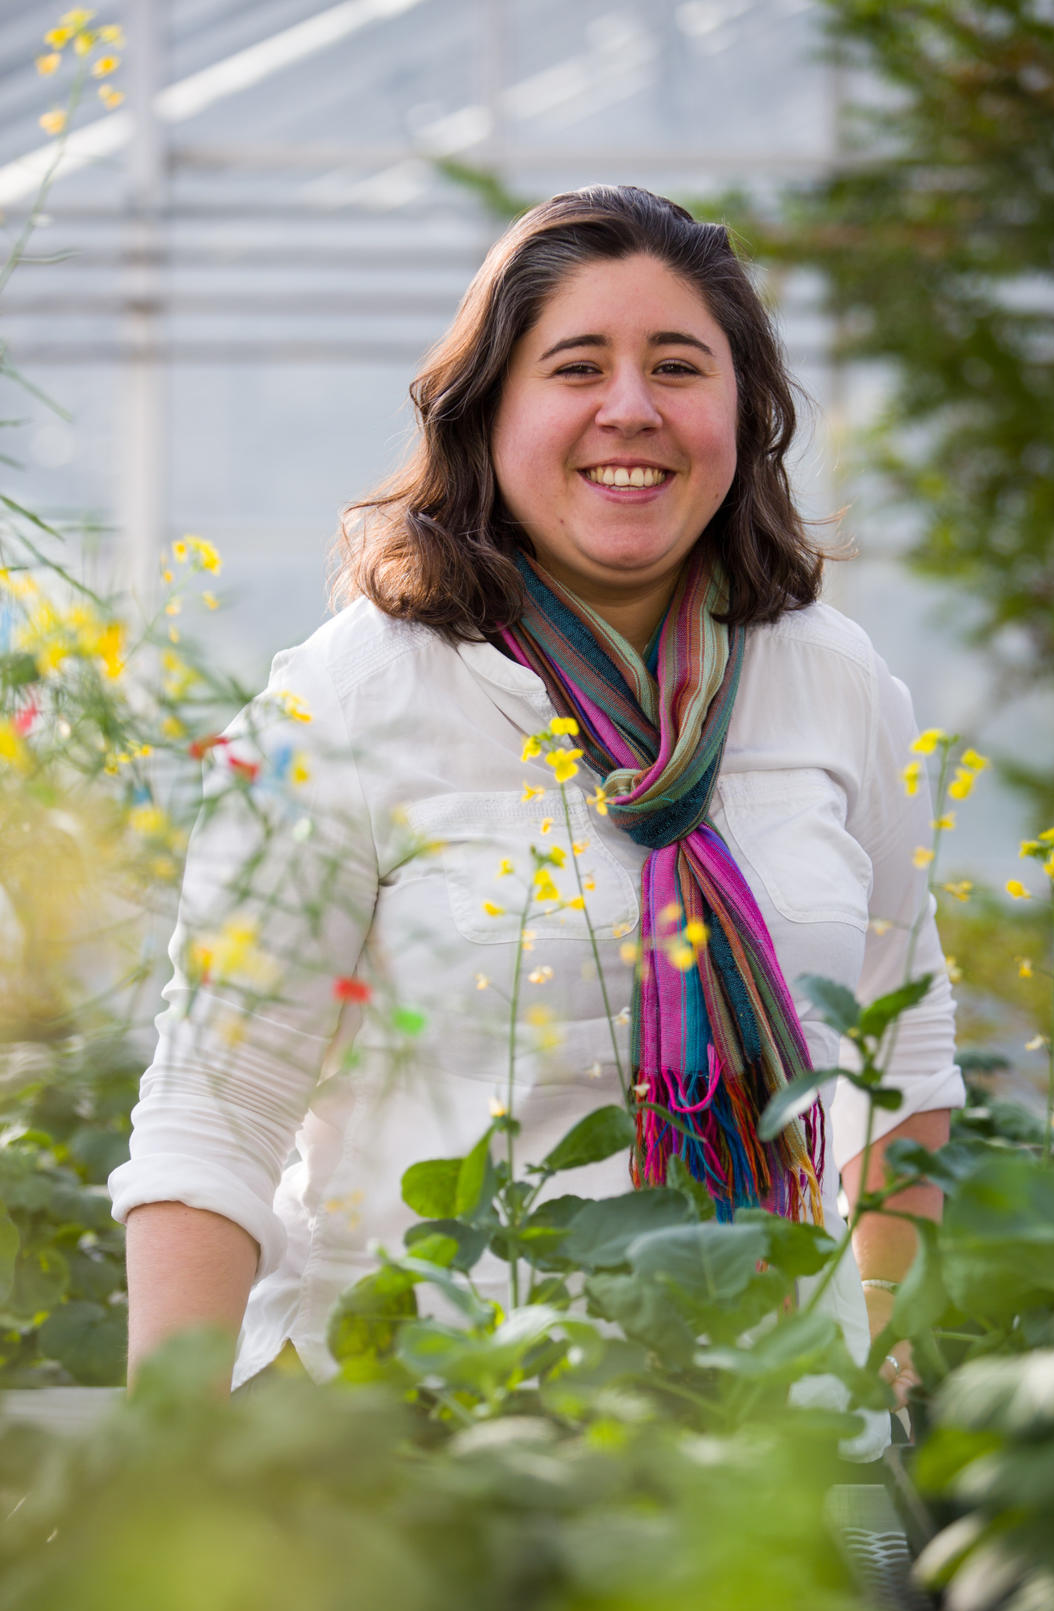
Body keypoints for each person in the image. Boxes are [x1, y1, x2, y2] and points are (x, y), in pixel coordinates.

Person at [111, 186, 964, 1447]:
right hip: (432, 1439)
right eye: (577, 367)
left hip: (770, 1444)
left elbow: (906, 1037)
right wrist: (168, 1477)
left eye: (680, 367)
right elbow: (216, 1106)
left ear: (743, 415)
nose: (633, 408)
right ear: (490, 414)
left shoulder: (832, 679)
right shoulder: (350, 698)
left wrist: (884, 1348)